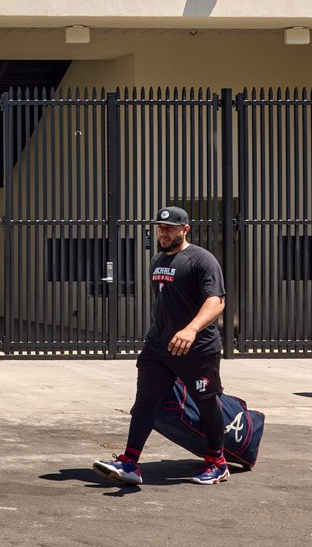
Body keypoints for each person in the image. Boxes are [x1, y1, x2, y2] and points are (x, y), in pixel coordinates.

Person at [94, 206, 230, 488]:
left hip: (198, 349)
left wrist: (191, 329)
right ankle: (130, 462)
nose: (163, 232)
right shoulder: (157, 261)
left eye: (169, 228)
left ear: (185, 229)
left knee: (207, 403)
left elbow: (216, 301)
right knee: (144, 402)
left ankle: (217, 462)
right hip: (159, 348)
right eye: (160, 227)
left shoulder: (201, 260)